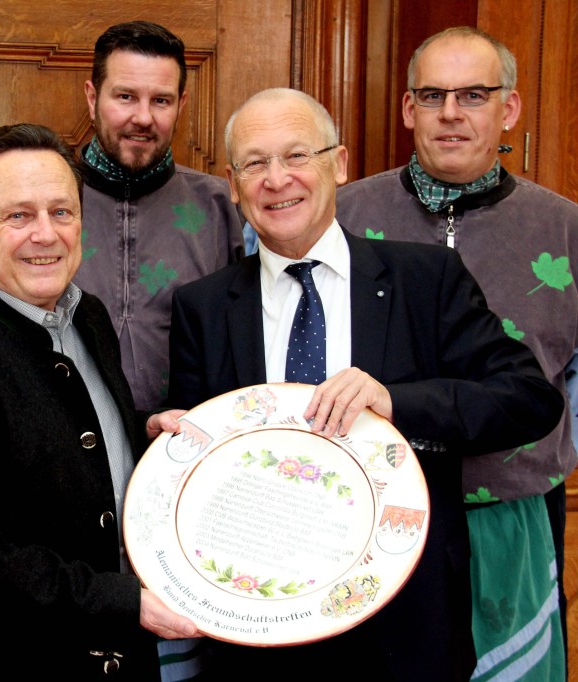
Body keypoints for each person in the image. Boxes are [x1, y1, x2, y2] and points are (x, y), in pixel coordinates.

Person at [168, 88, 562, 681]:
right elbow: (200, 463)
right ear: (233, 184)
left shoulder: (426, 280)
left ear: (340, 165)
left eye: (298, 156)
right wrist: (172, 441)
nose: (278, 180)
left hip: (406, 619)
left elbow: (530, 402)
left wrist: (396, 402)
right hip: (260, 626)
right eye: (255, 163)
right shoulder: (204, 307)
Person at [0, 123, 198, 679]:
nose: (45, 234)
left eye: (61, 212)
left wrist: (138, 429)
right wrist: (122, 601)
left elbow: (51, 430)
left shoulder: (86, 315)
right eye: (18, 216)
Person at [336, 27, 574, 681]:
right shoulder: (342, 218)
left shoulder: (565, 229)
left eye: (473, 95)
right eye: (433, 95)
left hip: (510, 516)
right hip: (367, 517)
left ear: (510, 109)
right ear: (408, 109)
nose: (450, 114)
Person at [74, 21, 244, 412]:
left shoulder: (221, 205)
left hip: (188, 443)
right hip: (66, 446)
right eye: (126, 96)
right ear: (92, 97)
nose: (143, 117)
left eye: (161, 101)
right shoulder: (48, 201)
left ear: (181, 105)